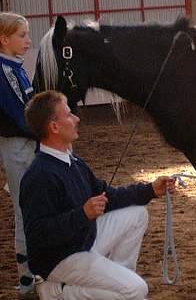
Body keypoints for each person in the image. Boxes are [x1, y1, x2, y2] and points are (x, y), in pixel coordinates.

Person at [20, 90, 176, 300]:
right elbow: (38, 235)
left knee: (137, 214)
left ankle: (117, 283)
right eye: (69, 114)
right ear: (54, 127)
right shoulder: (39, 175)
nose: (77, 119)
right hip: (60, 259)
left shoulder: (74, 162)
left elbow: (108, 195)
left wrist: (150, 190)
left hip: (84, 239)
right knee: (138, 290)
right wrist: (82, 214)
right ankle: (56, 292)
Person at [0, 12, 37, 298]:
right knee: (25, 208)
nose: (28, 41)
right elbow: (20, 115)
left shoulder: (16, 67)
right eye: (22, 35)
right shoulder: (5, 72)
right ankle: (27, 279)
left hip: (26, 144)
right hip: (17, 146)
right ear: (4, 39)